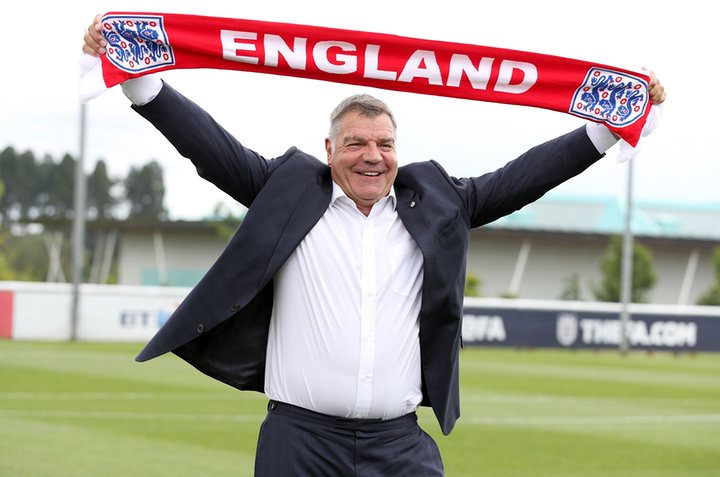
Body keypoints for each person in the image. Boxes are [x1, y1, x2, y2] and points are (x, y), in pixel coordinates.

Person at [83, 15, 665, 477]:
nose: (372, 154)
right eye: (356, 142)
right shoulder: (286, 191)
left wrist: (612, 122)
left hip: (399, 444)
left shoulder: (439, 201)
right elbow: (210, 148)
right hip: (300, 442)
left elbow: (524, 176)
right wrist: (137, 77)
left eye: (384, 143)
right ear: (330, 148)